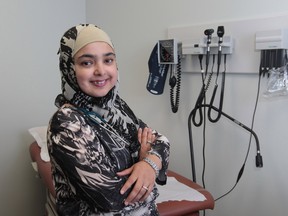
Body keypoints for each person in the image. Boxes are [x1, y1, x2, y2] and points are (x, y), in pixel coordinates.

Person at [47, 24, 170, 216]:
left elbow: (162, 141)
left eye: (108, 60)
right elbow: (112, 198)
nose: (100, 70)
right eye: (87, 63)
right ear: (69, 68)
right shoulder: (67, 123)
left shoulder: (117, 108)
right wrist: (145, 160)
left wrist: (148, 163)